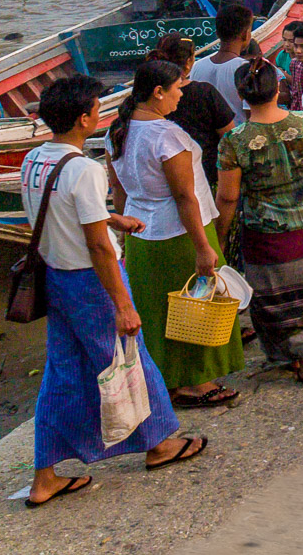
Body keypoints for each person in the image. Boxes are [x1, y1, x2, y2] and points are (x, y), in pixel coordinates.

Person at [22, 75, 207, 509]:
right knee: (132, 360)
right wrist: (123, 304)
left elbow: (59, 216)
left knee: (62, 375)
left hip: (56, 278)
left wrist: (109, 218)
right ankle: (159, 444)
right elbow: (99, 250)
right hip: (91, 282)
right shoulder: (83, 169)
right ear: (85, 118)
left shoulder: (34, 160)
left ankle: (43, 476)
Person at [109, 60, 243, 408]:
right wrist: (202, 246)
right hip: (179, 234)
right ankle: (195, 381)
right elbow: (185, 196)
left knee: (155, 310)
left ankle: (163, 379)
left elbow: (118, 189)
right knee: (194, 308)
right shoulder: (167, 136)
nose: (181, 94)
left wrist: (123, 232)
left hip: (140, 234)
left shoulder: (116, 131)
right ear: (158, 92)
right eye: (177, 87)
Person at [216, 59, 303, 386]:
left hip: (266, 231)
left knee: (270, 299)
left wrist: (220, 235)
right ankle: (300, 350)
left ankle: (302, 356)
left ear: (242, 94)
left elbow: (227, 197)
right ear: (278, 88)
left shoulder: (235, 141)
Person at [152, 33, 237, 194]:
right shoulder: (205, 92)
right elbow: (229, 138)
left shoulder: (150, 96)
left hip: (162, 182)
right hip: (206, 179)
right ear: (190, 61)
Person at [191, 3, 254, 120]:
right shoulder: (247, 69)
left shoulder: (197, 66)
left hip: (205, 136)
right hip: (237, 136)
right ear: (245, 34)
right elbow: (253, 117)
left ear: (217, 33)